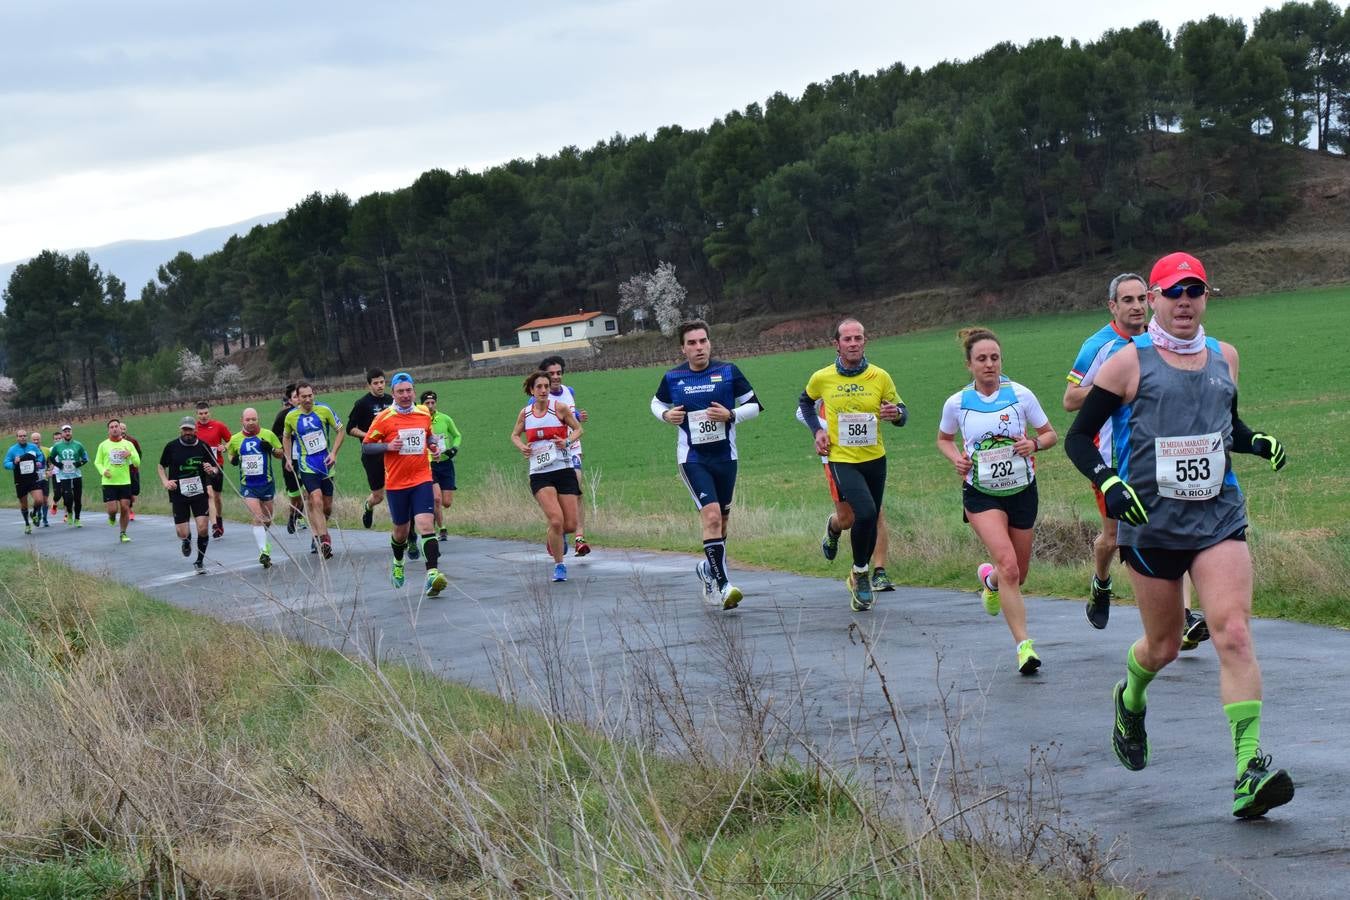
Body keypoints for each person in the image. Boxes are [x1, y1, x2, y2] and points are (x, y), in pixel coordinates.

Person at [1065, 251, 1293, 819]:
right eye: (1173, 293)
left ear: (1205, 298)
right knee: (1163, 647)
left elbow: (1224, 425)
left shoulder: (1225, 357)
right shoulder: (1124, 363)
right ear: (1156, 302)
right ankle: (1130, 697)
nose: (1184, 301)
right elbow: (1077, 438)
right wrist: (1110, 481)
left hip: (1218, 517)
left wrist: (1253, 440)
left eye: (1195, 291)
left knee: (1233, 633)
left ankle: (1247, 770)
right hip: (1151, 526)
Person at [1064, 275, 1210, 650]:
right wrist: (1118, 384)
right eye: (1126, 300)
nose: (1136, 306)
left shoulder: (1161, 339)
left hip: (1162, 454)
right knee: (1113, 538)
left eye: (1141, 298)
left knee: (1181, 528)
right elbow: (1069, 398)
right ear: (1112, 306)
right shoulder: (1099, 346)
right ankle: (1101, 583)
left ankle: (1186, 616)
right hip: (1115, 459)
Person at [937, 328, 1057, 675]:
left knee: (1017, 574)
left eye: (995, 358)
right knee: (1008, 564)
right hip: (981, 492)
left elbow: (1050, 434)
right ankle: (1025, 647)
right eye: (982, 359)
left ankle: (989, 582)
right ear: (969, 365)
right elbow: (944, 439)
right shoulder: (957, 403)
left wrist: (1033, 445)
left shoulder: (1020, 395)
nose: (989, 364)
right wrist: (956, 458)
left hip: (1021, 489)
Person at [651, 320, 763, 608]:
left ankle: (707, 570)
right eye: (692, 343)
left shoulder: (727, 372)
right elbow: (656, 403)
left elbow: (755, 406)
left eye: (703, 341)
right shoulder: (673, 377)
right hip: (693, 458)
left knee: (723, 520)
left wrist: (731, 415)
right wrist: (666, 416)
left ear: (710, 344)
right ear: (683, 348)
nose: (698, 347)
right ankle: (724, 586)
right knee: (711, 517)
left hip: (726, 457)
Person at [798, 318, 906, 611]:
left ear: (865, 342)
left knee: (870, 519)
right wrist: (817, 431)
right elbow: (805, 403)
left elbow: (901, 413)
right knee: (865, 512)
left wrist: (895, 413)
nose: (854, 343)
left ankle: (860, 572)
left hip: (875, 458)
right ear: (837, 344)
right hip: (842, 459)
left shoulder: (879, 376)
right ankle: (861, 573)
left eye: (858, 338)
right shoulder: (822, 377)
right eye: (848, 339)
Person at [796, 400, 897, 590]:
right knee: (848, 519)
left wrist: (891, 412)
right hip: (836, 457)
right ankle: (834, 526)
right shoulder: (828, 377)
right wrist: (833, 427)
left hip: (867, 455)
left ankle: (879, 572)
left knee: (875, 512)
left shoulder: (871, 377)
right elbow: (801, 411)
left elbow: (894, 408)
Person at [363, 373, 448, 596]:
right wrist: (388, 446)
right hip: (397, 483)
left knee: (426, 525)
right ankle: (398, 563)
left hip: (422, 478)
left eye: (409, 390)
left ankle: (432, 575)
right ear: (394, 394)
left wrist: (433, 446)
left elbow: (428, 436)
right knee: (401, 531)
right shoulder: (384, 417)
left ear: (413, 391)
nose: (405, 395)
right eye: (400, 391)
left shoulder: (423, 412)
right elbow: (366, 446)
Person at [514, 371, 586, 583]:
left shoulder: (560, 409)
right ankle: (559, 565)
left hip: (563, 469)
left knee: (570, 525)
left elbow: (578, 429)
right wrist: (522, 447)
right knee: (556, 520)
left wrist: (567, 442)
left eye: (546, 386)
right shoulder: (525, 414)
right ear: (532, 390)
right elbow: (514, 435)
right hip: (539, 473)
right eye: (539, 387)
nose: (544, 390)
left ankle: (553, 536)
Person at [283, 382, 344, 559]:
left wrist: (333, 453)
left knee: (327, 506)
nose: (308, 399)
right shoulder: (291, 417)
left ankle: (318, 532)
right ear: (298, 398)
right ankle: (324, 540)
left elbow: (340, 430)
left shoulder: (324, 410)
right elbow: (286, 437)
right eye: (304, 396)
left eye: (310, 395)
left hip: (326, 464)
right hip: (306, 465)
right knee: (315, 499)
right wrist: (288, 457)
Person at [541, 355, 591, 555]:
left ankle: (580, 538)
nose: (555, 377)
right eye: (551, 374)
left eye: (559, 373)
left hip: (572, 448)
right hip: (551, 453)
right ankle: (556, 531)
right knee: (559, 497)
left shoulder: (569, 392)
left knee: (577, 489)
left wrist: (578, 416)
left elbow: (570, 417)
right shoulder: (539, 397)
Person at [158, 417, 219, 573]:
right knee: (182, 532)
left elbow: (215, 468)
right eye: (185, 429)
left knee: (203, 528)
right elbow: (161, 466)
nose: (187, 433)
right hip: (178, 494)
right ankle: (186, 540)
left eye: (190, 429)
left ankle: (199, 561)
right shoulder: (171, 447)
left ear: (195, 430)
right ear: (180, 430)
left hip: (199, 492)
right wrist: (165, 481)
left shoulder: (203, 447)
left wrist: (211, 470)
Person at [226, 408, 285, 569]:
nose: (251, 422)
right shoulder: (235, 439)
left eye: (254, 419)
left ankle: (264, 543)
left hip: (266, 483)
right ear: (242, 421)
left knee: (267, 520)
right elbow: (230, 454)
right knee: (258, 518)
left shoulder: (268, 434)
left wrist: (272, 449)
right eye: (247, 420)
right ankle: (263, 552)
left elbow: (281, 453)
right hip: (248, 486)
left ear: (258, 420)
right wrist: (234, 459)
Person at [348, 368, 392, 530]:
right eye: (376, 383)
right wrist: (368, 436)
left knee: (396, 489)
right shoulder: (362, 404)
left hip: (391, 452)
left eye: (382, 382)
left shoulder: (392, 400)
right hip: (372, 454)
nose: (380, 386)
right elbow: (350, 428)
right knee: (378, 496)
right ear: (369, 385)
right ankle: (368, 506)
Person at [421, 389, 461, 541]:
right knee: (436, 498)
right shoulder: (419, 419)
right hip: (429, 465)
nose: (430, 405)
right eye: (427, 403)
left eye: (433, 402)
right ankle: (442, 528)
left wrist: (454, 448)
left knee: (447, 502)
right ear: (422, 404)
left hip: (446, 463)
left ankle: (432, 517)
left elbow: (457, 435)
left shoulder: (445, 418)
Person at [95, 418, 140, 542]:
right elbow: (97, 462)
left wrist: (129, 455)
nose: (114, 429)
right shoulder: (103, 445)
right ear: (108, 430)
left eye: (116, 426)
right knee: (113, 509)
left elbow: (137, 462)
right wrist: (103, 471)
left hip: (124, 481)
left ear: (121, 429)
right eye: (112, 427)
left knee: (125, 508)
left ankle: (123, 533)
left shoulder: (128, 444)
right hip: (109, 482)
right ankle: (112, 516)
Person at [193, 400, 233, 538]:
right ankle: (215, 525)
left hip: (217, 465)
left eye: (205, 413)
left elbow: (230, 439)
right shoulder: (193, 429)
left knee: (216, 497)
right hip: (201, 467)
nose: (203, 416)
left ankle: (219, 520)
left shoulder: (218, 426)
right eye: (200, 414)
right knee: (209, 494)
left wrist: (225, 447)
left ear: (209, 413)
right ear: (196, 415)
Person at [272, 384, 308, 534]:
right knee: (295, 496)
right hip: (290, 460)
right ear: (291, 400)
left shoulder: (309, 414)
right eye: (295, 397)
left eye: (300, 396)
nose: (299, 400)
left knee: (309, 492)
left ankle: (300, 516)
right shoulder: (283, 416)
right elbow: (274, 437)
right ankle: (293, 515)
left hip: (307, 459)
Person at [4, 430, 46, 534]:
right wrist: (14, 463)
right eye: (20, 436)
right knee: (24, 505)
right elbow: (6, 463)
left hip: (32, 478)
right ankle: (27, 524)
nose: (22, 437)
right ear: (17, 438)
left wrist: (39, 462)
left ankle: (35, 513)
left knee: (39, 500)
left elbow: (40, 455)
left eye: (24, 436)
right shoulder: (12, 450)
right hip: (20, 481)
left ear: (26, 437)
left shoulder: (32, 447)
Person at [48, 424, 89, 526]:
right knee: (68, 497)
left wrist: (78, 464)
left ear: (71, 432)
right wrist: (58, 465)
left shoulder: (78, 445)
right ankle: (70, 513)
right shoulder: (57, 446)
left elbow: (85, 458)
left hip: (76, 475)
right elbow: (51, 458)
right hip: (64, 475)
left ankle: (78, 519)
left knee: (77, 498)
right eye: (65, 431)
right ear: (62, 434)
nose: (67, 433)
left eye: (69, 431)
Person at [120, 422, 143, 521]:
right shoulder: (114, 443)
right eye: (120, 428)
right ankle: (129, 510)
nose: (122, 430)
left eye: (124, 428)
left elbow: (139, 453)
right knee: (126, 492)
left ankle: (129, 506)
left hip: (133, 469)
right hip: (121, 471)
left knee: (135, 492)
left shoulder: (132, 441)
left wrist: (136, 462)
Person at [28, 432, 50, 526]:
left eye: (38, 439)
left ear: (40, 440)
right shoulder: (28, 451)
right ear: (31, 440)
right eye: (34, 440)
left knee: (45, 499)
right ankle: (37, 514)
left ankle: (44, 518)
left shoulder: (46, 450)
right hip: (33, 479)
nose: (36, 441)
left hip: (44, 477)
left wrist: (50, 470)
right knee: (38, 499)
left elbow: (50, 462)